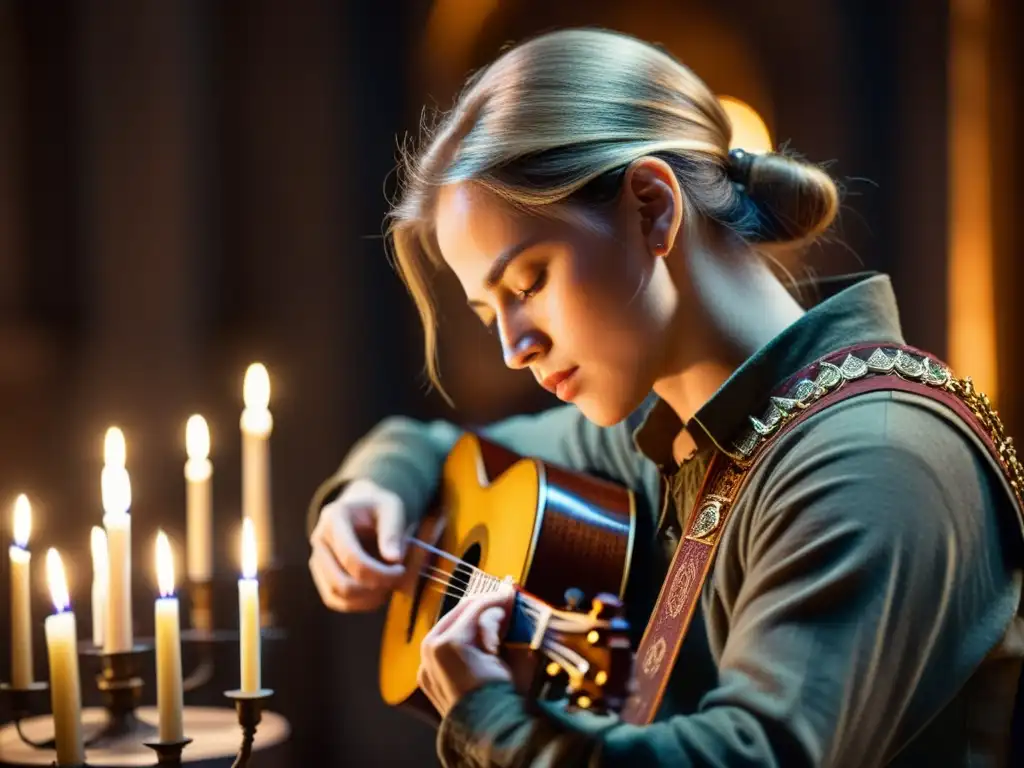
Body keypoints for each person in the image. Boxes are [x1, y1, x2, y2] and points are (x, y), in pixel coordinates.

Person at [307, 27, 1024, 767]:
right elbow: (429, 447)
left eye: (529, 284)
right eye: (491, 313)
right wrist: (369, 492)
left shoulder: (876, 459)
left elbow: (745, 756)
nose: (513, 347)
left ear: (652, 208)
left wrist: (488, 717)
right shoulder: (668, 427)